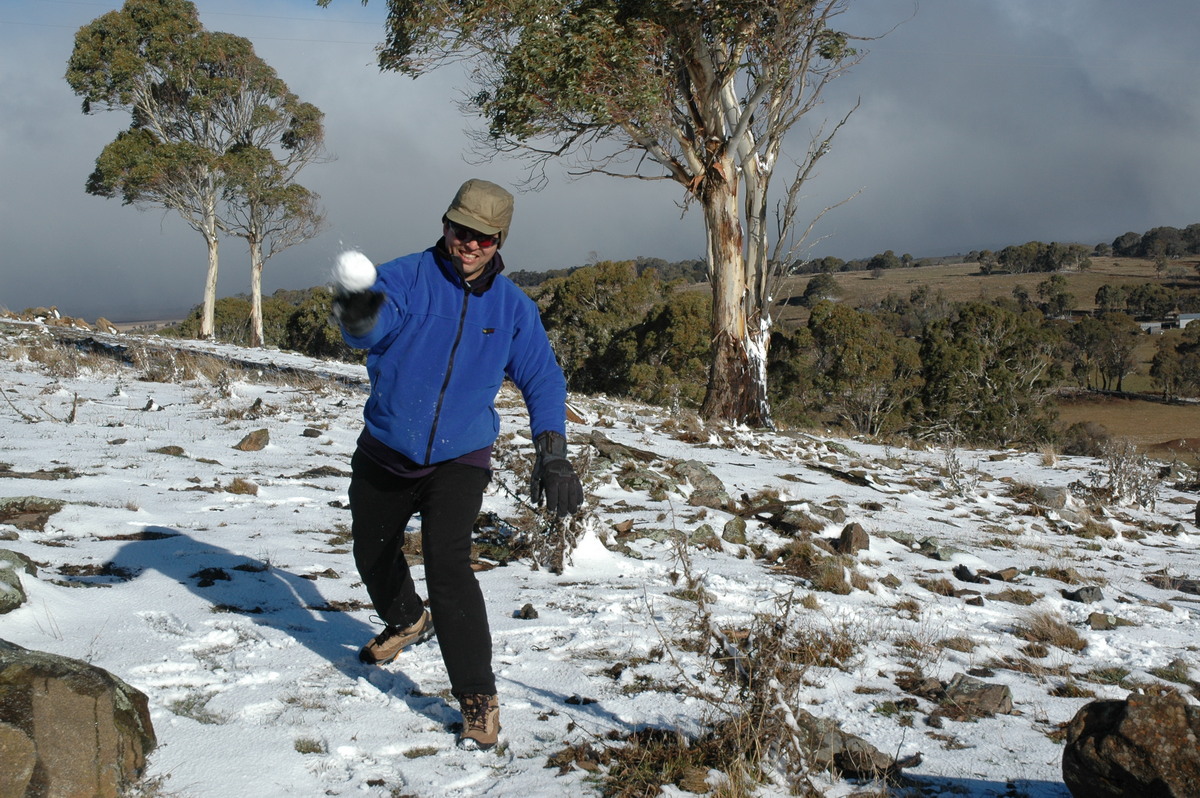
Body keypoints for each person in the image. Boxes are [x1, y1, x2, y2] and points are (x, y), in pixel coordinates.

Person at [331, 178, 583, 751]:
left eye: (482, 238)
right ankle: (405, 619)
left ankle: (477, 697)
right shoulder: (405, 277)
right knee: (371, 549)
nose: (467, 244)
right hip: (388, 447)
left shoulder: (513, 309)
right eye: (459, 229)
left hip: (460, 456)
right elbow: (370, 330)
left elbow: (542, 376)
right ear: (445, 223)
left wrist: (554, 455)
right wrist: (356, 308)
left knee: (448, 567)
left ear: (499, 241)